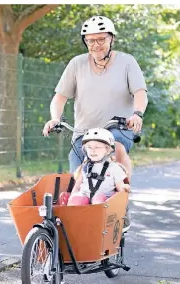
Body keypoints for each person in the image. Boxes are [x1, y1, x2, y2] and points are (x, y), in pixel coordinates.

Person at [43, 15, 148, 229]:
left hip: (117, 128)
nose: (96, 45)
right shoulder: (77, 64)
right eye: (90, 40)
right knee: (78, 171)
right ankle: (79, 220)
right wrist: (55, 118)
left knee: (116, 148)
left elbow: (140, 93)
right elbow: (59, 98)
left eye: (101, 39)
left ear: (112, 39)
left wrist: (137, 114)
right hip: (84, 133)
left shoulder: (127, 62)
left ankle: (122, 202)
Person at [60, 128, 130, 206]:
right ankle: (73, 213)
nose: (92, 150)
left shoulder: (114, 168)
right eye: (89, 147)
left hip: (104, 200)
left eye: (97, 147)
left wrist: (124, 188)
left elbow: (120, 187)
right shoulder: (84, 167)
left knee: (98, 199)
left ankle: (96, 213)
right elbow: (77, 187)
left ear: (108, 150)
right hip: (84, 195)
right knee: (75, 199)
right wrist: (73, 196)